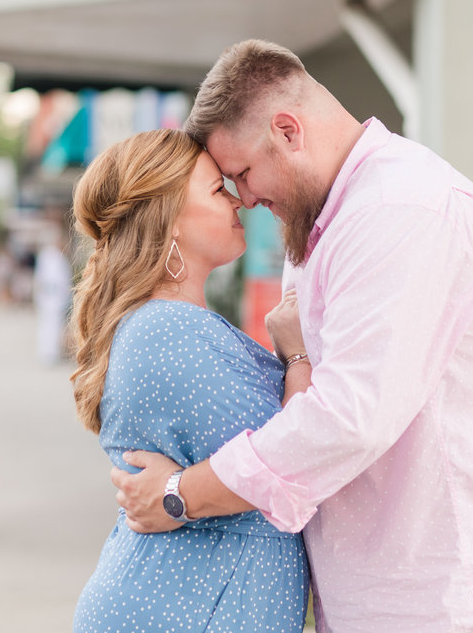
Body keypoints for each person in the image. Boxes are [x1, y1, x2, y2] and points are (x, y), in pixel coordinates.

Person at [111, 40, 473, 633]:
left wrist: (180, 495)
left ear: (288, 130)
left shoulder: (400, 211)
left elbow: (347, 418)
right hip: (405, 601)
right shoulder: (321, 226)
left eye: (244, 173)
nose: (245, 199)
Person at [69, 128, 310, 633]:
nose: (238, 201)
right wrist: (298, 357)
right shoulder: (168, 329)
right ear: (169, 218)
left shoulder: (172, 323)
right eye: (218, 190)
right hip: (190, 609)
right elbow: (296, 457)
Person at [33, 231, 72, 365]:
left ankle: (53, 352)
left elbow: (64, 280)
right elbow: (40, 278)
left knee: (55, 326)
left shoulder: (60, 258)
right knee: (47, 325)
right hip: (48, 296)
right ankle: (46, 353)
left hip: (56, 297)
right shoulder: (47, 256)